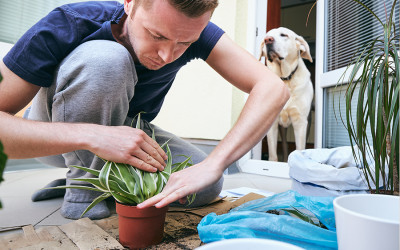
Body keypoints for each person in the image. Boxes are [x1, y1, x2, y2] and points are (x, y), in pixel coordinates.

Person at [0, 0, 289, 219]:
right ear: (129, 3)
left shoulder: (195, 31)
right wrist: (94, 136)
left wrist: (215, 163)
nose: (167, 55)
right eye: (157, 36)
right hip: (53, 131)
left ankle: (104, 182)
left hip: (127, 131)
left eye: (184, 43)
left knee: (202, 186)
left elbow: (273, 88)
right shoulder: (68, 23)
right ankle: (83, 190)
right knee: (106, 60)